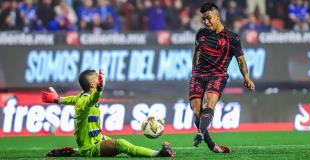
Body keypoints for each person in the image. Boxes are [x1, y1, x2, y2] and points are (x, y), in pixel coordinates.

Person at [41, 69, 175, 157]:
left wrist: (58, 99)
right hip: (91, 147)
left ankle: (73, 152)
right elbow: (92, 99)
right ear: (93, 85)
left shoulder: (81, 96)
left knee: (124, 147)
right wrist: (99, 90)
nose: (100, 78)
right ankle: (158, 154)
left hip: (99, 138)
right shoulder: (86, 101)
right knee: (121, 144)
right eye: (97, 78)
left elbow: (71, 99)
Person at [189, 2, 255, 153]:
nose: (206, 22)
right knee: (196, 111)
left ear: (217, 16)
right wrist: (194, 71)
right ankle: (212, 145)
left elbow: (241, 60)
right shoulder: (200, 34)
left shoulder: (232, 37)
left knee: (208, 103)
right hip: (198, 75)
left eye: (208, 18)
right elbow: (196, 53)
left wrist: (246, 77)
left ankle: (200, 132)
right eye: (203, 19)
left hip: (217, 75)